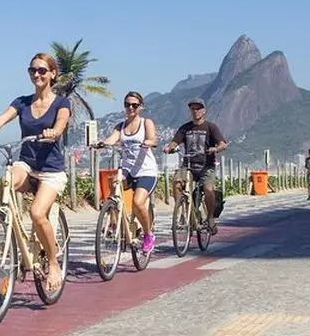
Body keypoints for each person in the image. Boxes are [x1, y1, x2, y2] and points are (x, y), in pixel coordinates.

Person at [0, 53, 71, 292]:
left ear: (52, 74)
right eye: (33, 70)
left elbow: (61, 122)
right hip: (26, 165)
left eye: (42, 70)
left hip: (50, 172)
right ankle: (7, 228)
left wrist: (54, 132)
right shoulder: (22, 102)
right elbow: (1, 119)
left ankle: (53, 263)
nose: (37, 74)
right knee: (5, 183)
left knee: (37, 213)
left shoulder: (61, 103)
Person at [92, 91, 159, 253]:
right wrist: (102, 143)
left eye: (134, 105)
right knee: (113, 183)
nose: (130, 108)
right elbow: (112, 139)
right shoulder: (120, 126)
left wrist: (148, 142)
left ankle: (148, 234)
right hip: (127, 169)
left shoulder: (146, 123)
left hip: (146, 170)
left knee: (137, 202)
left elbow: (153, 139)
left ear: (140, 107)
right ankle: (114, 222)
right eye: (127, 104)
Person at [163, 98, 227, 234]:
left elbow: (222, 144)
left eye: (198, 108)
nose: (195, 111)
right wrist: (170, 148)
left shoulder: (211, 127)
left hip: (206, 166)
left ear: (204, 110)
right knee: (176, 182)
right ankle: (185, 210)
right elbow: (175, 142)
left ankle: (210, 218)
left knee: (208, 189)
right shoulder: (185, 128)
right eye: (193, 108)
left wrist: (215, 149)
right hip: (188, 165)